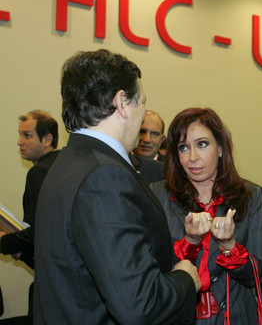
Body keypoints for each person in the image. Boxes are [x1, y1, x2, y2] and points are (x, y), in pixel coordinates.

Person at [34, 49, 200, 324]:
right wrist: (184, 278)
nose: (144, 113)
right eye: (142, 102)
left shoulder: (66, 163)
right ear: (122, 102)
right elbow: (138, 304)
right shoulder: (104, 177)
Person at [150, 107, 262, 324]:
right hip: (180, 317)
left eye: (202, 144)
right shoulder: (157, 195)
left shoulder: (250, 196)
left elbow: (259, 276)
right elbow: (152, 273)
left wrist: (229, 246)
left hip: (236, 317)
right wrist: (191, 242)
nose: (192, 157)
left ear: (221, 148)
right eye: (183, 148)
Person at [0, 110, 58, 324]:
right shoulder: (62, 165)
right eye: (19, 135)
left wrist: (5, 242)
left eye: (27, 135)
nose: (19, 142)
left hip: (51, 282)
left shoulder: (39, 173)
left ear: (47, 139)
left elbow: (40, 233)